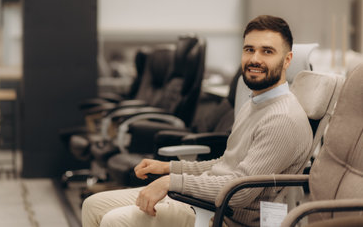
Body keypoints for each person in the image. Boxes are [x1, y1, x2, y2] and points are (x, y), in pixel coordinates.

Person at [82, 15, 313, 227]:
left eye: (267, 51)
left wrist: (171, 182)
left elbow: (240, 190)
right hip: (204, 201)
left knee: (116, 221)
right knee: (93, 205)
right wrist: (169, 167)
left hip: (226, 217)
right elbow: (227, 164)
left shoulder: (282, 119)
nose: (254, 59)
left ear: (287, 60)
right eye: (249, 49)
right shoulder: (255, 103)